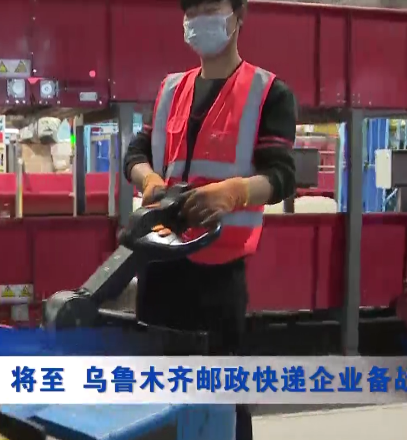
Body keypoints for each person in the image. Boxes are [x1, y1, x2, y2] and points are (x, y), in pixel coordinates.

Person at [122, 0, 297, 438]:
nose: (199, 17)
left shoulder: (268, 92)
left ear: (238, 15)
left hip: (218, 275)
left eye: (210, 6)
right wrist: (149, 180)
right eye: (192, 9)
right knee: (157, 395)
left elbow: (281, 175)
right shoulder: (170, 89)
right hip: (159, 264)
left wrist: (234, 192)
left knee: (221, 398)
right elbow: (136, 154)